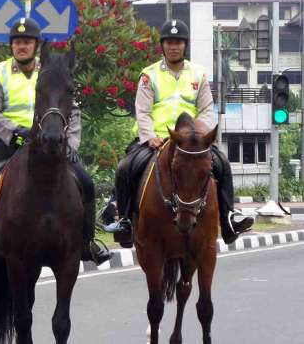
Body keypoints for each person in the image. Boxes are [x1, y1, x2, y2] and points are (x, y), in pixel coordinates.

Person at [0, 17, 111, 264]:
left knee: (86, 182)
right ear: (11, 46)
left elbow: (73, 109)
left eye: (26, 42)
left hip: (52, 143)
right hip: (8, 142)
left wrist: (72, 146)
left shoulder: (50, 71)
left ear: (36, 46)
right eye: (17, 42)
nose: (21, 46)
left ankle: (88, 242)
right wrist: (14, 132)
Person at [105, 19, 254, 245]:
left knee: (222, 163)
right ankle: (125, 220)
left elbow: (205, 109)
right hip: (156, 140)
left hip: (191, 143)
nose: (174, 46)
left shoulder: (199, 74)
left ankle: (229, 217)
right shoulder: (149, 74)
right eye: (169, 42)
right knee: (125, 167)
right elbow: (142, 111)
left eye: (178, 42)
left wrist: (200, 137)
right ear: (163, 46)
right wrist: (149, 137)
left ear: (185, 46)